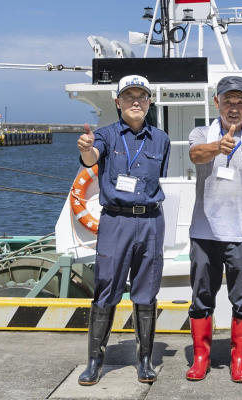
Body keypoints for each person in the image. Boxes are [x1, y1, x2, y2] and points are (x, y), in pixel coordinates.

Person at [75, 74, 171, 386]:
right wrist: (86, 148)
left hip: (150, 221)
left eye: (141, 96)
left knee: (147, 292)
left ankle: (144, 359)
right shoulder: (105, 135)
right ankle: (95, 361)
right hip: (116, 221)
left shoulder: (161, 139)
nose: (135, 101)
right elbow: (91, 158)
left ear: (149, 102)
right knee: (106, 289)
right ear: (118, 102)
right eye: (128, 96)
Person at [186, 75, 242, 383]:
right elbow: (195, 154)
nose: (234, 107)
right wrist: (217, 146)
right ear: (217, 103)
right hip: (205, 232)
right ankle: (201, 358)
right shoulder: (201, 133)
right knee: (201, 298)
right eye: (228, 101)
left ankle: (239, 359)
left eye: (240, 101)